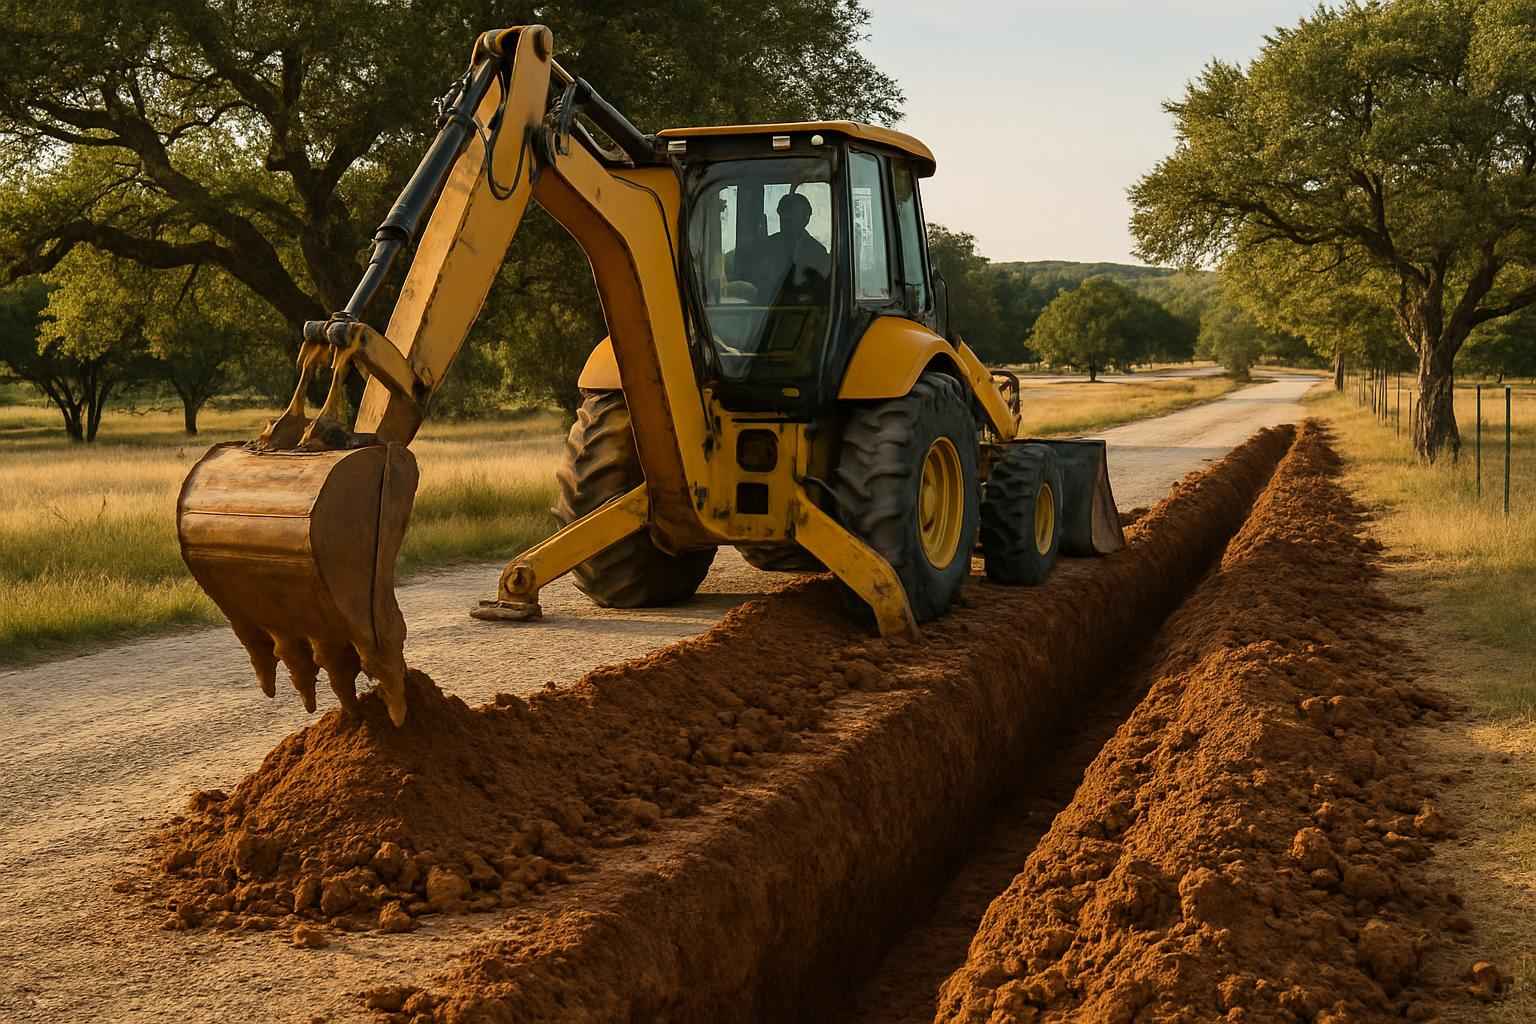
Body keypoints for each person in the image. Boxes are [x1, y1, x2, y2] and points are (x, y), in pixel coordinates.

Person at [739, 191, 831, 302]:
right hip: (767, 311)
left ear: (806, 219)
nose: (786, 221)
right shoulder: (766, 247)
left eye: (792, 216)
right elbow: (753, 282)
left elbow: (821, 291)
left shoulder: (818, 252)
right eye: (783, 216)